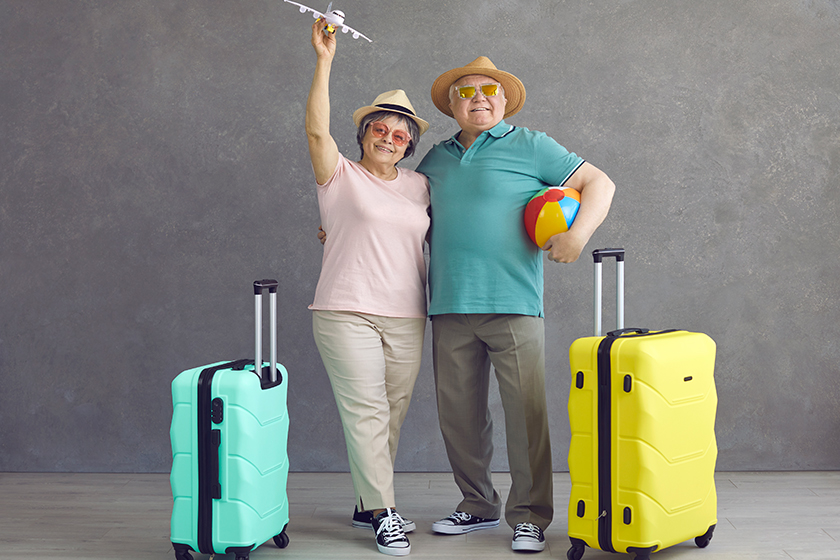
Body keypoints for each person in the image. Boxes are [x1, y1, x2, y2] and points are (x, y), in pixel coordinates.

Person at [415, 56, 616, 553]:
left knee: (525, 414)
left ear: (504, 100)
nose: (477, 98)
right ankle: (477, 505)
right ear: (452, 105)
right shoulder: (434, 159)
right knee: (458, 414)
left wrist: (578, 233)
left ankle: (529, 516)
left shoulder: (531, 144)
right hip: (447, 303)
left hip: (514, 302)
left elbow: (601, 183)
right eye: (465, 92)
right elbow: (397, 210)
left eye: (488, 90)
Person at [305, 19, 431, 557]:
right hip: (345, 309)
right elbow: (315, 131)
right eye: (380, 129)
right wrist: (325, 60)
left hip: (408, 314)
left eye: (400, 135)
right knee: (367, 411)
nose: (389, 138)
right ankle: (385, 512)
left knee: (392, 412)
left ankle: (365, 499)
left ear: (408, 146)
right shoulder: (338, 174)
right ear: (363, 135)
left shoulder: (422, 186)